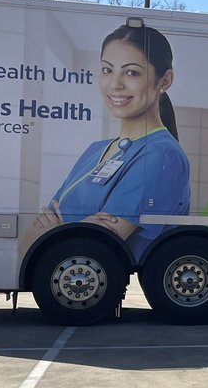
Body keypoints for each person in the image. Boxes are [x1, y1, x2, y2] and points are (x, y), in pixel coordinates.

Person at [24, 22, 191, 260]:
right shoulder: (96, 150)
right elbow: (28, 243)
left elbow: (97, 244)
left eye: (131, 72)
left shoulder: (161, 155)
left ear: (164, 81)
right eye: (107, 70)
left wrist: (54, 230)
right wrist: (71, 231)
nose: (115, 84)